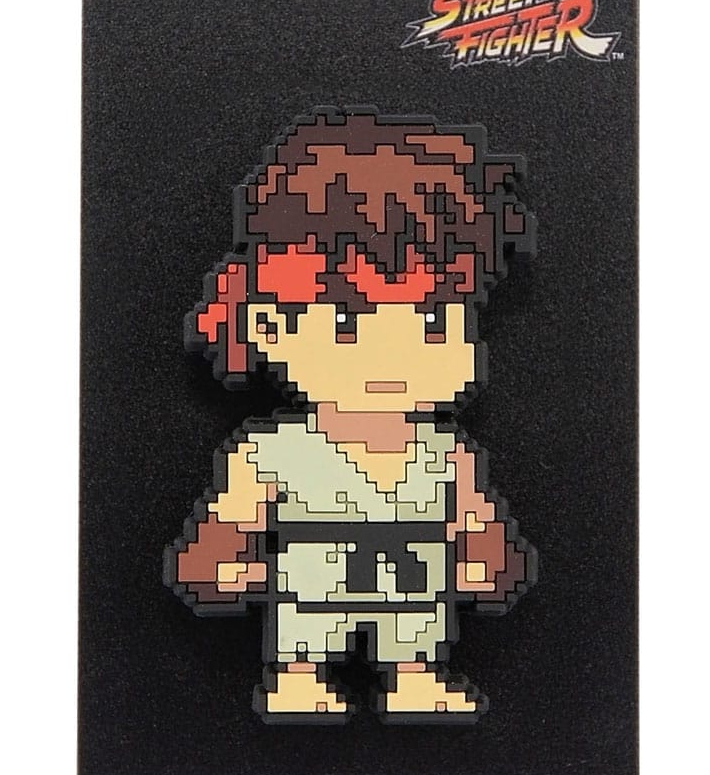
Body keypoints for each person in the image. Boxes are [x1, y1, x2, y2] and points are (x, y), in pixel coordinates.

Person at [165, 107, 537, 723]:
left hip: (412, 578)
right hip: (314, 580)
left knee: (414, 629)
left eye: (430, 321)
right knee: (308, 628)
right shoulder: (276, 452)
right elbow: (234, 515)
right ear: (269, 326)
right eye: (347, 322)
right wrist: (219, 559)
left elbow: (474, 518)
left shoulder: (443, 455)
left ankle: (415, 677)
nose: (391, 355)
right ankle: (298, 676)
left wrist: (487, 560)